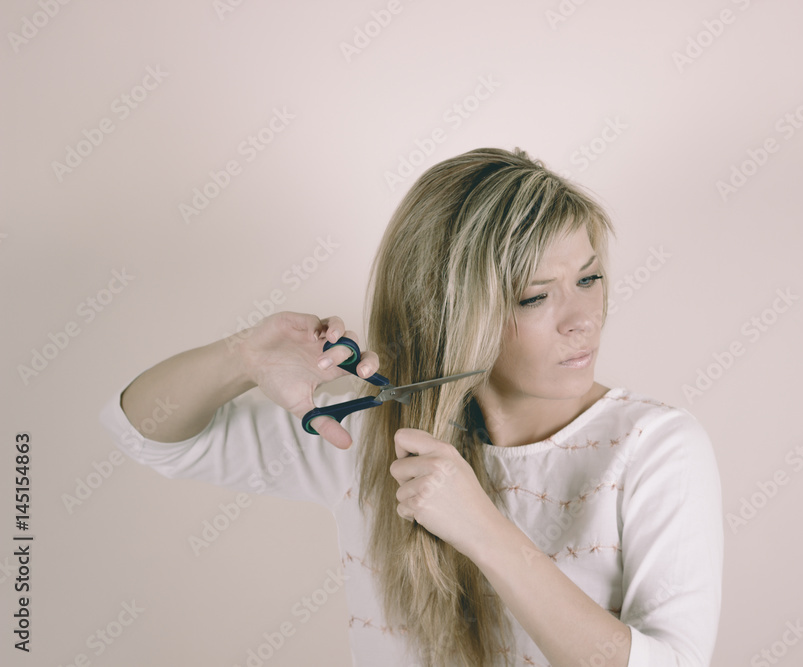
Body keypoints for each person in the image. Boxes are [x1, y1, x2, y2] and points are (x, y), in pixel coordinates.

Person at [99, 147, 724, 667]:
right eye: (535, 297)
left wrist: (483, 529)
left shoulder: (654, 447)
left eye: (590, 279)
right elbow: (146, 433)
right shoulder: (369, 437)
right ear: (451, 312)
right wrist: (240, 358)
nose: (582, 320)